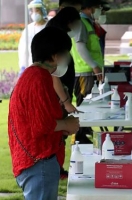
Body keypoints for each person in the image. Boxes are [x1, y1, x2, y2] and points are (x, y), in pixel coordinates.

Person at [8, 27, 80, 200]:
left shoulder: (37, 76)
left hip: (38, 162)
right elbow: (41, 126)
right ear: (55, 56)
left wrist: (62, 125)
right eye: (66, 54)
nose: (67, 60)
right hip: (38, 163)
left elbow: (42, 118)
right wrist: (67, 124)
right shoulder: (37, 78)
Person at [46, 6, 81, 179]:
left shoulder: (56, 32)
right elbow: (55, 77)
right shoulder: (55, 35)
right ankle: (56, 169)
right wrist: (66, 101)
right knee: (58, 133)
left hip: (62, 93)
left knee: (60, 135)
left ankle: (57, 168)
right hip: (59, 96)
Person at [71, 0, 104, 143]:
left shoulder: (87, 22)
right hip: (84, 71)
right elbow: (80, 47)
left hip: (88, 71)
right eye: (99, 8)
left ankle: (84, 134)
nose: (100, 11)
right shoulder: (81, 23)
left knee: (87, 106)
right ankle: (79, 138)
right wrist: (94, 66)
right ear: (90, 8)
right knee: (83, 106)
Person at [18, 0, 47, 76]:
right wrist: (22, 66)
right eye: (33, 11)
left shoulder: (49, 26)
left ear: (42, 11)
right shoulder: (28, 29)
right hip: (32, 65)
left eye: (37, 10)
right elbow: (23, 49)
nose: (35, 14)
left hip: (48, 66)